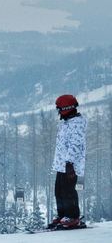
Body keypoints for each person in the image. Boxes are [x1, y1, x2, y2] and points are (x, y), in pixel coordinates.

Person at [51, 94, 87, 229]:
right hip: (61, 165)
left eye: (59, 109)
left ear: (67, 108)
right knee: (59, 191)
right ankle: (63, 215)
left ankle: (72, 217)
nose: (59, 111)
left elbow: (75, 145)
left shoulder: (76, 124)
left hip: (70, 165)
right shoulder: (66, 123)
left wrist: (70, 163)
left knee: (68, 192)